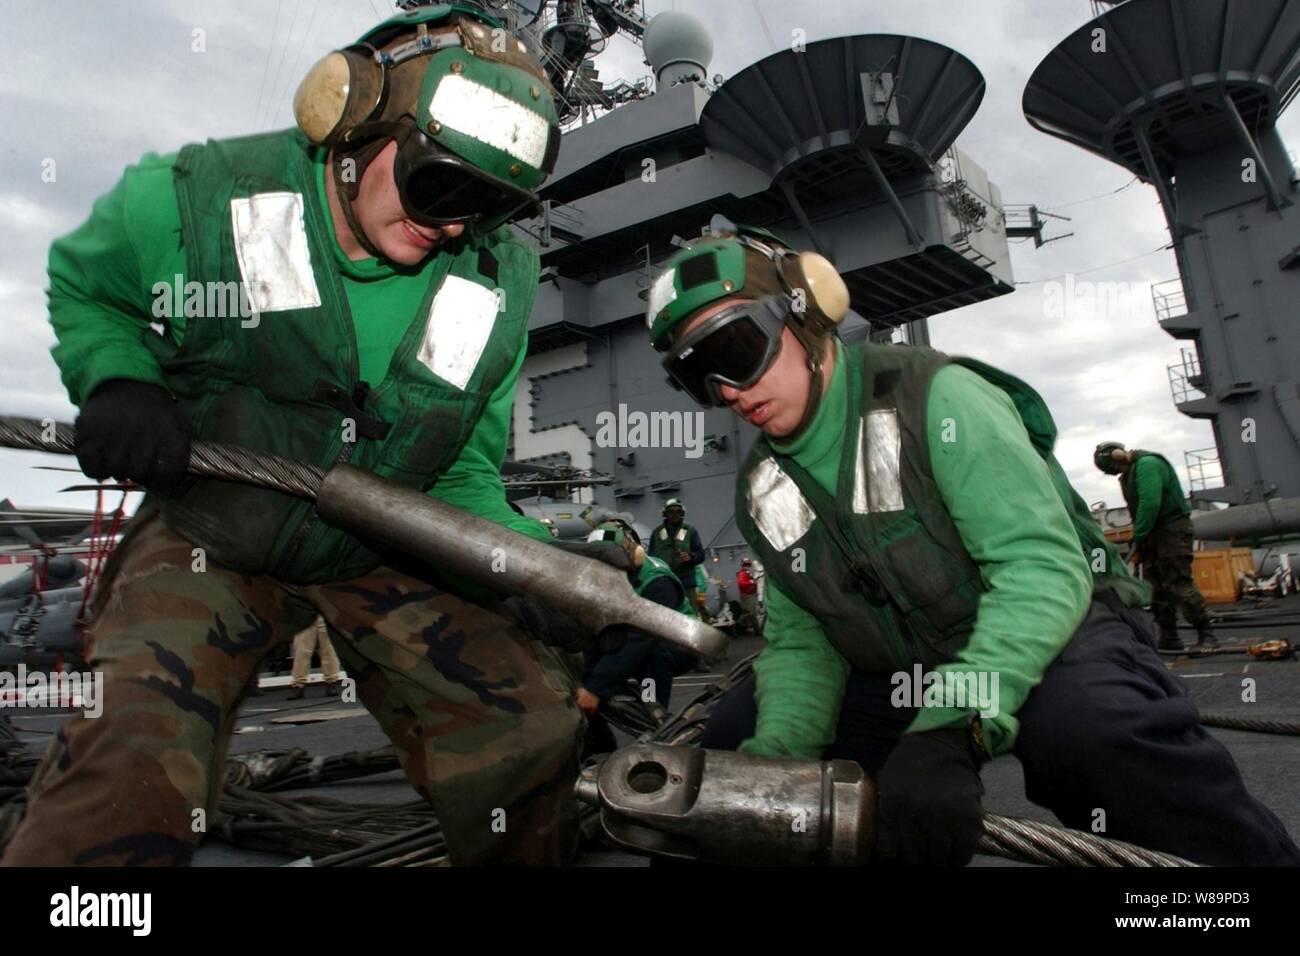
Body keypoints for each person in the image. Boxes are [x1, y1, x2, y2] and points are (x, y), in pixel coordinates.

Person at [2, 7, 583, 867]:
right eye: (443, 188)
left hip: (376, 540)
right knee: (130, 762)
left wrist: (527, 560)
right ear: (350, 119)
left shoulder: (496, 276)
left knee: (530, 724)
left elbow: (462, 464)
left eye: (489, 206)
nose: (457, 229)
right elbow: (89, 281)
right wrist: (117, 377)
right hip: (213, 530)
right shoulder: (203, 195)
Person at [641, 217, 1300, 867]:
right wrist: (775, 766)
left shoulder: (938, 398)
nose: (728, 390)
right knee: (731, 746)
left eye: (734, 351)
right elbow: (804, 639)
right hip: (901, 664)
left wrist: (951, 726)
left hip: (1052, 624)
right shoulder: (765, 486)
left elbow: (1038, 569)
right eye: (700, 377)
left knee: (1088, 733)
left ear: (808, 308)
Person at [576, 521, 694, 754]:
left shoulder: (658, 581)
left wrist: (595, 688)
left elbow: (640, 639)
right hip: (633, 635)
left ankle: (657, 721)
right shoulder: (611, 576)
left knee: (650, 655)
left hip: (678, 644)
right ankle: (595, 741)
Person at [1094, 442, 1217, 650]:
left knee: (1178, 582)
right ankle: (1169, 636)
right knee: (1157, 586)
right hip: (1152, 533)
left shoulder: (1148, 465)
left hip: (1171, 530)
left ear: (1117, 457)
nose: (1118, 473)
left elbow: (1150, 503)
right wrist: (1141, 535)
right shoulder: (1128, 475)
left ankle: (1207, 634)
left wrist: (1139, 533)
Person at [648, 499, 705, 614]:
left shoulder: (690, 531)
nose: (674, 515)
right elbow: (650, 558)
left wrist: (691, 557)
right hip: (665, 582)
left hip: (686, 581)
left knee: (691, 613)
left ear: (682, 513)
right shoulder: (657, 533)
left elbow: (701, 554)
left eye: (678, 511)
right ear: (665, 514)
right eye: (671, 512)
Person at [288, 616, 343, 699]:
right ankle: (298, 684)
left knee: (328, 648)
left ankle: (331, 682)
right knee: (301, 650)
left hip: (324, 610)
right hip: (305, 612)